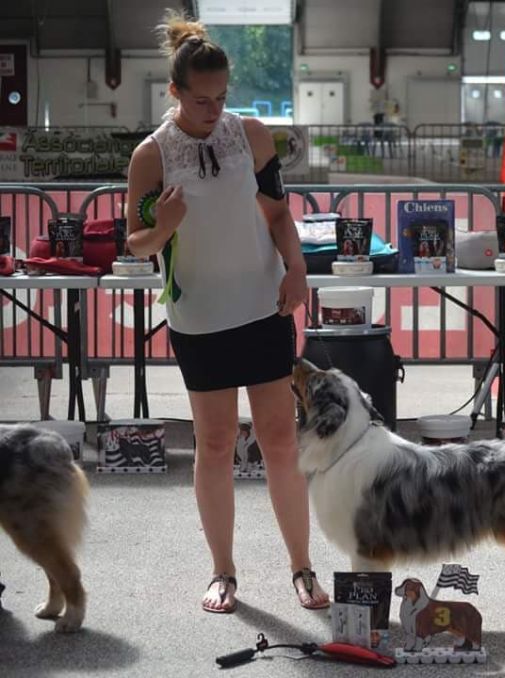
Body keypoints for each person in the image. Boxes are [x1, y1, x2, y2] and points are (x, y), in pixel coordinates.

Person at [125, 11, 329, 614]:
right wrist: (163, 227)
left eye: (221, 97)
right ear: (175, 92)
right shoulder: (151, 155)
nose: (214, 109)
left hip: (264, 306)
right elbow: (134, 243)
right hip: (199, 319)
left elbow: (278, 213)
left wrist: (296, 267)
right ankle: (223, 572)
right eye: (201, 100)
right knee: (214, 444)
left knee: (280, 441)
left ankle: (302, 567)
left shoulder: (253, 135)